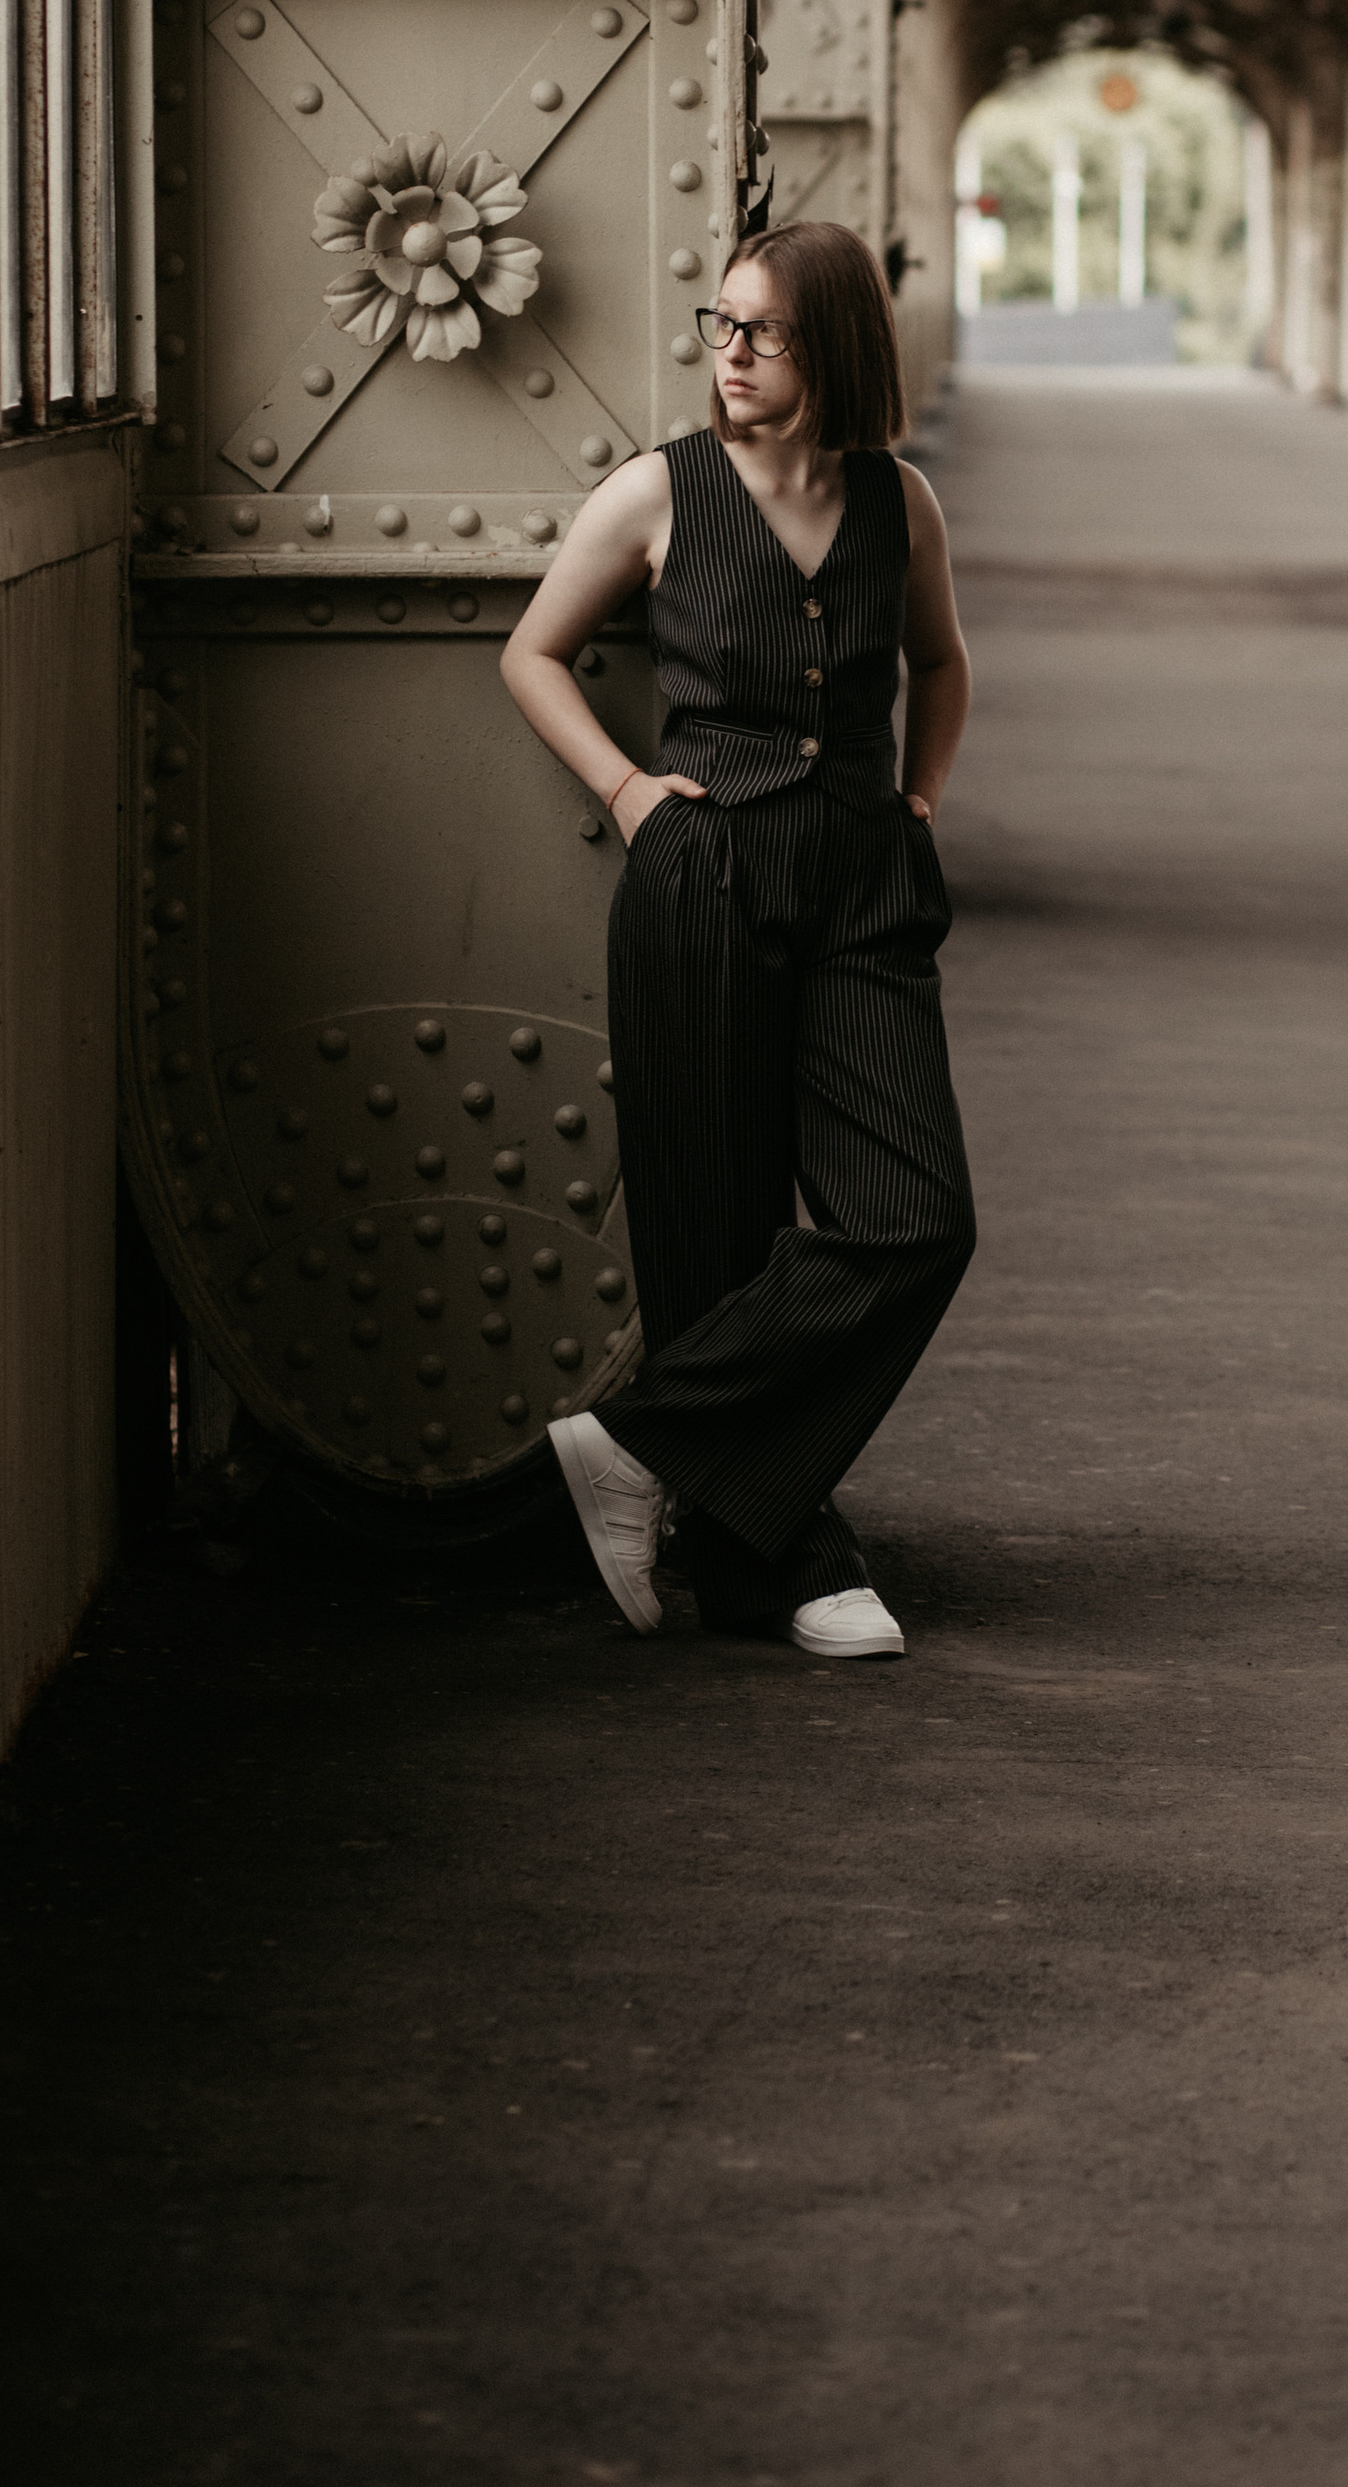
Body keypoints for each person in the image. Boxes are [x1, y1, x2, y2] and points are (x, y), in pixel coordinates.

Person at [500, 219, 975, 1658]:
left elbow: (941, 661)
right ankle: (781, 1560)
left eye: (765, 331)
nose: (733, 352)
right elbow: (533, 653)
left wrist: (919, 798)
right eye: (723, 324)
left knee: (916, 1217)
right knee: (712, 1237)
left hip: (863, 886)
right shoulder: (660, 491)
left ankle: (639, 1443)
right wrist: (629, 793)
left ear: (835, 348)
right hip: (703, 876)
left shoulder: (899, 502)